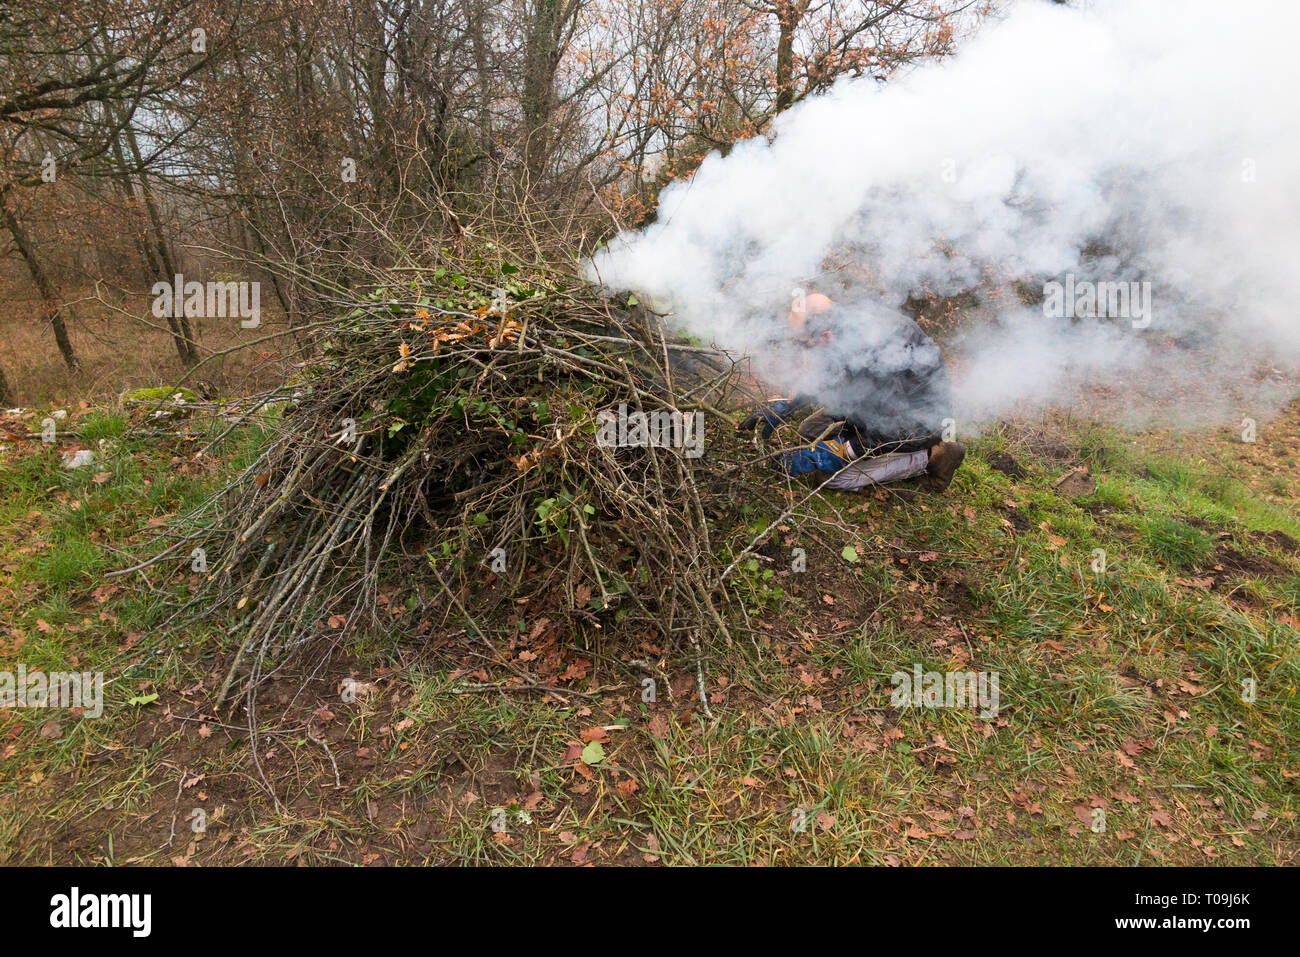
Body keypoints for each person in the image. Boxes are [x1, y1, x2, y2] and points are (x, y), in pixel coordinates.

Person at [739, 291, 967, 492]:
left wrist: (840, 450)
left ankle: (933, 456)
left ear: (824, 335)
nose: (801, 350)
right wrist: (784, 406)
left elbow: (890, 428)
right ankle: (852, 436)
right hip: (869, 402)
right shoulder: (841, 325)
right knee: (808, 430)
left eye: (803, 344)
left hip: (913, 423)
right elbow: (827, 375)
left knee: (832, 478)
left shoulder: (876, 353)